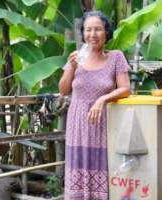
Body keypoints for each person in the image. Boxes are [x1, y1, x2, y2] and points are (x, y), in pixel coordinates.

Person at [59, 11, 130, 200]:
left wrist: (102, 99)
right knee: (78, 169)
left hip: (103, 124)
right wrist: (72, 67)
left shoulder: (116, 57)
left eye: (98, 29)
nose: (93, 34)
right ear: (83, 34)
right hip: (78, 125)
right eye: (88, 30)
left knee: (103, 168)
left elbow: (125, 89)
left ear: (106, 32)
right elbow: (64, 90)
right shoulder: (76, 58)